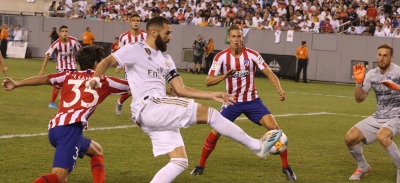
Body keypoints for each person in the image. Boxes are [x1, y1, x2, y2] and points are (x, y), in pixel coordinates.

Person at [86, 17, 283, 183]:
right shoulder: (134, 48)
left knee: (179, 162)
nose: (170, 37)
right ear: (154, 33)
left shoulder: (166, 59)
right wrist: (96, 77)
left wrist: (213, 94)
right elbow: (107, 61)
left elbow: (181, 89)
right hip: (151, 106)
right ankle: (257, 146)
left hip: (156, 114)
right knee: (211, 115)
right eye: (167, 33)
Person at [2, 45, 129, 183]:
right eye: (103, 62)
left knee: (96, 150)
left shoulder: (68, 75)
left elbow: (44, 79)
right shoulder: (105, 81)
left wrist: (17, 84)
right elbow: (132, 86)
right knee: (60, 176)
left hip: (55, 128)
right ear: (97, 64)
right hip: (70, 129)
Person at [190, 24, 296, 181]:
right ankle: (200, 165)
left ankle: (286, 167)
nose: (236, 39)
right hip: (232, 101)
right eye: (233, 36)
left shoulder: (252, 55)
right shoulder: (221, 57)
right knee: (215, 131)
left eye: (239, 36)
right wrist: (224, 76)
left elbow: (269, 73)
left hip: (252, 100)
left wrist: (279, 89)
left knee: (275, 129)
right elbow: (208, 81)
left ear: (242, 38)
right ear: (228, 38)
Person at [346, 44, 400, 182]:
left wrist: (397, 88)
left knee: (382, 136)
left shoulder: (398, 72)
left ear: (391, 57)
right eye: (379, 55)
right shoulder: (371, 74)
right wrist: (358, 83)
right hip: (379, 116)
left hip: (396, 115)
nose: (382, 58)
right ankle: (363, 166)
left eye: (385, 55)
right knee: (350, 138)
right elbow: (360, 99)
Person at [39, 25, 82, 108]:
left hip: (72, 66)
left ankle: (70, 100)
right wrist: (42, 69)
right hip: (61, 67)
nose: (65, 33)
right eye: (62, 31)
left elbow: (81, 51)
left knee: (75, 84)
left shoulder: (74, 41)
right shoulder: (56, 44)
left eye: (66, 31)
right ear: (59, 33)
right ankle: (52, 103)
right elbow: (47, 55)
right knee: (58, 85)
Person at [115, 14, 147, 116]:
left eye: (137, 20)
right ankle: (120, 101)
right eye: (133, 20)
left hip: (143, 67)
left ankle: (137, 112)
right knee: (132, 89)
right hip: (129, 67)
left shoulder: (146, 35)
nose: (136, 22)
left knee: (142, 89)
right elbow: (120, 51)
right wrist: (119, 65)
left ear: (140, 22)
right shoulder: (123, 37)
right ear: (130, 22)